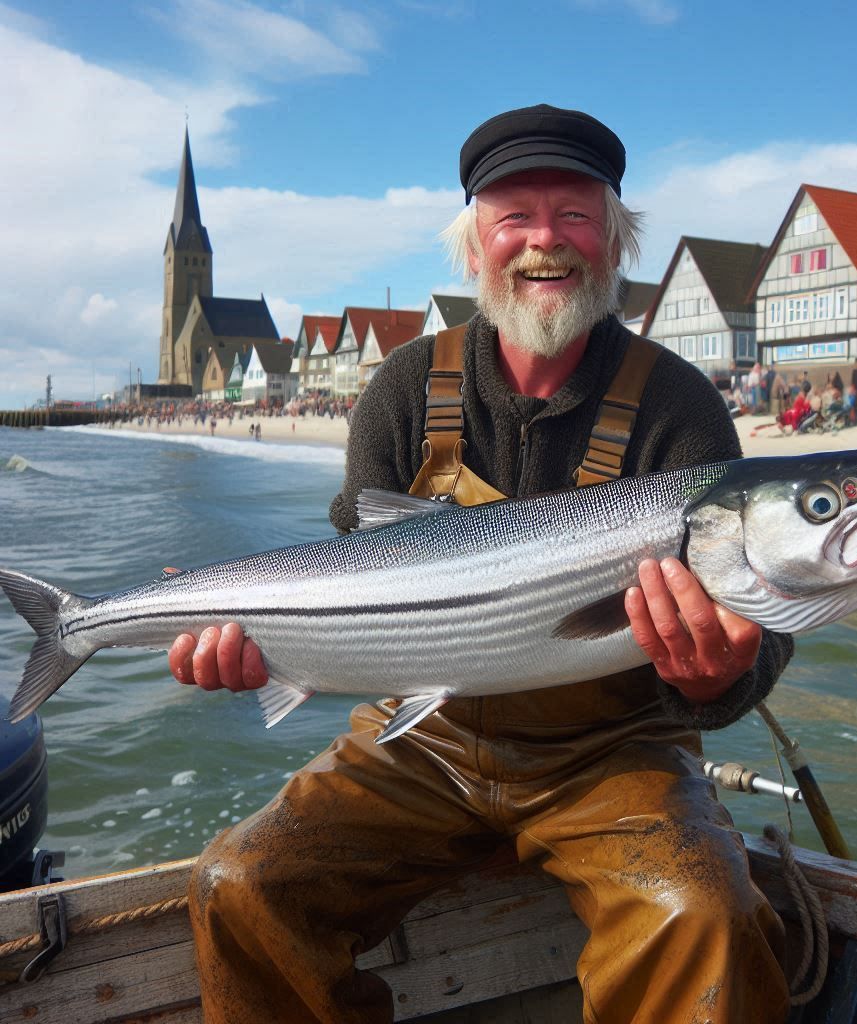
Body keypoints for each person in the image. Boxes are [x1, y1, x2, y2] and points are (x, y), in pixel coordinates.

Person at [168, 104, 792, 1024]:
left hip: (608, 756)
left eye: (576, 216)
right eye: (516, 219)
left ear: (614, 240)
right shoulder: (405, 385)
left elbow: (757, 629)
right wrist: (272, 650)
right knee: (240, 884)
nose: (547, 243)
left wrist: (722, 677)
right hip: (418, 742)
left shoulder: (678, 405)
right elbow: (358, 589)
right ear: (475, 248)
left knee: (704, 916)